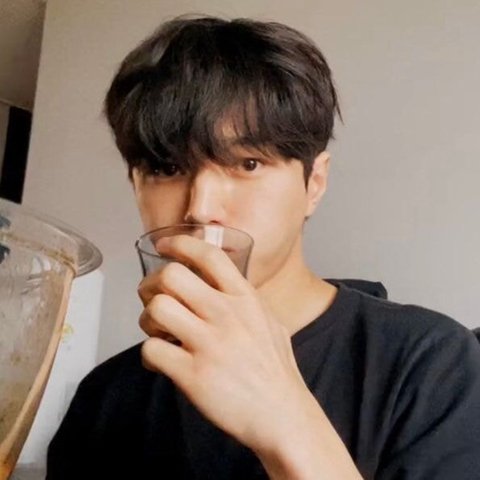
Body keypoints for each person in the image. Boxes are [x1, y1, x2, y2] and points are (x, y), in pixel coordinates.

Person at [46, 15, 480, 480]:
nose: (200, 208)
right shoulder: (104, 397)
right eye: (167, 168)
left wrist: (285, 421)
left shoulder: (431, 362)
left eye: (248, 163)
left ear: (314, 183)